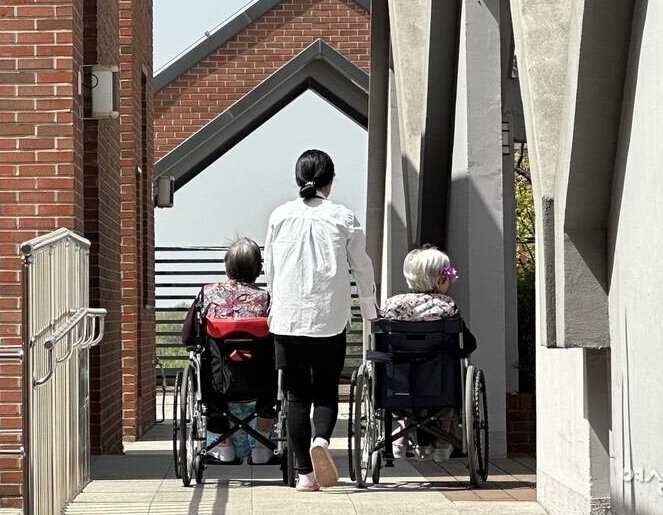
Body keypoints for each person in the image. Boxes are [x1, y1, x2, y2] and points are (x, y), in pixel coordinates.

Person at [265, 149, 377, 492]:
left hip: (286, 320)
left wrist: (275, 302)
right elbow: (362, 266)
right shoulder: (342, 216)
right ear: (330, 180)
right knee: (327, 389)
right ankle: (322, 442)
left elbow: (269, 266)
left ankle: (304, 475)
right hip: (329, 317)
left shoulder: (280, 216)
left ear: (299, 179)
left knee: (296, 396)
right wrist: (370, 310)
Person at [180, 237, 276, 465]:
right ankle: (262, 447)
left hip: (218, 383)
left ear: (226, 267)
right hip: (261, 382)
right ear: (258, 270)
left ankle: (224, 447)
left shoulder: (208, 295)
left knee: (206, 372)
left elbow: (187, 337)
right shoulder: (267, 299)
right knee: (274, 372)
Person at [380, 245, 476, 462]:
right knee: (453, 374)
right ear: (440, 281)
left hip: (399, 384)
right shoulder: (447, 307)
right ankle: (443, 440)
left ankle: (400, 437)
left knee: (401, 380)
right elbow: (468, 343)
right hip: (439, 383)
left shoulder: (392, 305)